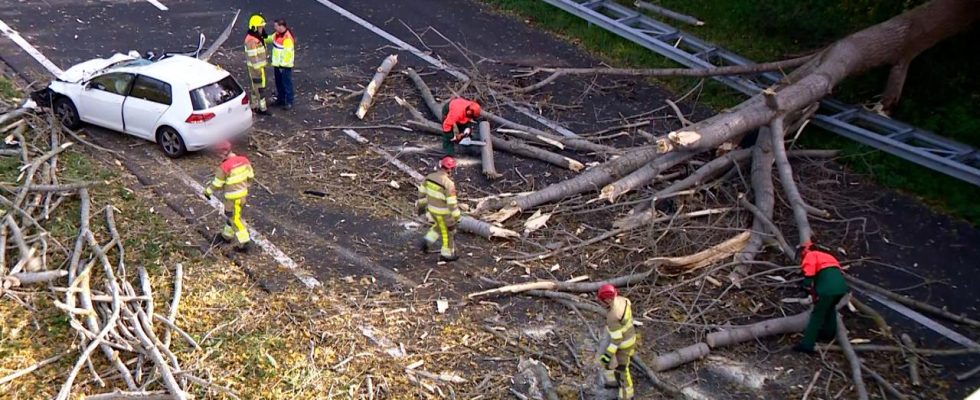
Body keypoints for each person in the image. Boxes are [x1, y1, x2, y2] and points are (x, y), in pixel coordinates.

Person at [793, 241, 850, 353]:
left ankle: (807, 345)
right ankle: (829, 334)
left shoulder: (810, 255)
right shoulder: (827, 257)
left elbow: (809, 275)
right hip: (841, 288)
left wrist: (805, 285)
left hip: (827, 290)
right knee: (830, 309)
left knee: (816, 316)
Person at [204, 140, 255, 251]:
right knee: (231, 216)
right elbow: (250, 176)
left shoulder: (224, 167)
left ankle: (245, 243)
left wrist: (207, 191)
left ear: (221, 154)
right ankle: (226, 236)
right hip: (242, 196)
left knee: (235, 219)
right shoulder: (244, 160)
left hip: (232, 199)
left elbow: (217, 184)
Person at [416, 156, 461, 262]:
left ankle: (427, 241)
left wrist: (421, 207)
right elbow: (452, 204)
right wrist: (456, 217)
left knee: (439, 227)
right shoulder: (448, 184)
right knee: (448, 233)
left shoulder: (429, 177)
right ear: (450, 169)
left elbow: (421, 193)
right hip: (443, 213)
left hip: (432, 210)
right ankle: (446, 254)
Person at [598, 284, 637, 400]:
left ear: (608, 300)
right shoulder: (624, 300)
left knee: (622, 370)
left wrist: (607, 356)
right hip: (631, 336)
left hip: (623, 345)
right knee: (615, 366)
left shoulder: (612, 316)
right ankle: (613, 380)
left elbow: (616, 340)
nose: (600, 302)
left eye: (602, 300)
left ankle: (627, 395)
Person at [244, 14, 271, 114]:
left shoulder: (257, 37)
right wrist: (257, 69)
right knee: (259, 89)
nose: (262, 28)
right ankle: (262, 108)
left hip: (259, 67)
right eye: (260, 27)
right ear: (254, 27)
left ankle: (254, 105)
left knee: (255, 88)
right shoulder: (251, 40)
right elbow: (253, 56)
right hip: (256, 68)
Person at [271, 19, 296, 110]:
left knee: (286, 84)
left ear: (281, 26)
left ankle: (289, 101)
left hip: (284, 67)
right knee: (279, 83)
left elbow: (288, 54)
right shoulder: (277, 35)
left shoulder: (287, 38)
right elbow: (270, 38)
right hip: (277, 65)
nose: (274, 28)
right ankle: (281, 99)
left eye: (276, 26)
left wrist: (283, 65)